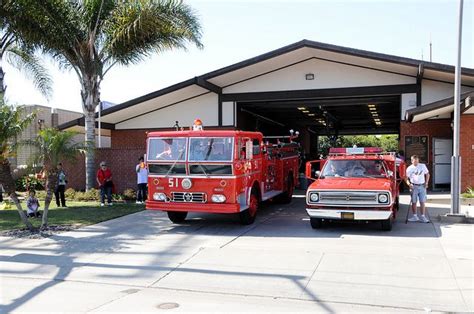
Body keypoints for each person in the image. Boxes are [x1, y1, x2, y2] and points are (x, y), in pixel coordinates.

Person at [405, 155, 430, 223]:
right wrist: (409, 184)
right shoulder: (409, 168)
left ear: (418, 160)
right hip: (414, 186)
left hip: (422, 186)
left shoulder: (422, 166)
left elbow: (427, 174)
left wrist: (427, 182)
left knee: (422, 202)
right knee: (414, 202)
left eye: (417, 160)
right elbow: (406, 178)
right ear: (412, 161)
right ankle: (415, 216)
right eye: (414, 161)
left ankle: (423, 216)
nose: (416, 162)